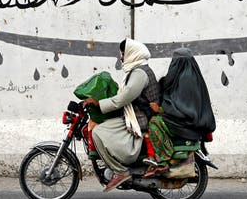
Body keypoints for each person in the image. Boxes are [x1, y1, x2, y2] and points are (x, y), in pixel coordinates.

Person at [83, 38, 161, 191]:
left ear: (133, 54)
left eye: (124, 53)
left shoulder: (140, 73)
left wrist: (99, 103)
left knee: (98, 131)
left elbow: (125, 97)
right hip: (135, 115)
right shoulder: (136, 70)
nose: (122, 57)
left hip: (140, 119)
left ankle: (120, 171)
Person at [142, 47, 216, 177]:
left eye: (175, 61)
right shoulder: (189, 76)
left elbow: (181, 108)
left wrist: (160, 110)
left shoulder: (186, 79)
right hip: (189, 120)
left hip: (186, 123)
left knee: (154, 122)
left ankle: (162, 160)